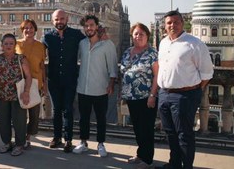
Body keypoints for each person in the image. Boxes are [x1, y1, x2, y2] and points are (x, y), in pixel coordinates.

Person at [158, 10, 213, 169]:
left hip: (185, 96)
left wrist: (193, 90)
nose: (172, 25)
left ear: (182, 23)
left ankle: (186, 166)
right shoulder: (163, 43)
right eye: (169, 23)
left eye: (176, 22)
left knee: (184, 135)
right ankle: (174, 164)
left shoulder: (194, 43)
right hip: (165, 94)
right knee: (170, 133)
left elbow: (207, 73)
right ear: (165, 25)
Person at [73, 15, 118, 157]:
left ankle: (100, 144)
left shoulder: (107, 44)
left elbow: (113, 67)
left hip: (101, 88)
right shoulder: (82, 43)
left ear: (97, 26)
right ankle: (83, 142)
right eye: (86, 26)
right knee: (83, 118)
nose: (89, 28)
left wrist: (111, 84)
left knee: (101, 118)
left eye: (91, 25)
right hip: (83, 88)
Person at [42, 9, 85, 152]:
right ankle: (56, 137)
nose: (59, 21)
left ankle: (68, 139)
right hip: (53, 79)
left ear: (67, 19)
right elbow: (38, 54)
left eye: (61, 19)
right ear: (52, 21)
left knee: (68, 109)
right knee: (56, 110)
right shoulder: (47, 37)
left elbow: (89, 43)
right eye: (56, 19)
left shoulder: (76, 35)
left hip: (70, 78)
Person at [120, 23, 159, 169]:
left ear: (147, 36)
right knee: (137, 127)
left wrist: (152, 95)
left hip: (146, 96)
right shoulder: (127, 51)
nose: (138, 36)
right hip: (131, 97)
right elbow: (123, 71)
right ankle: (140, 154)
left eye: (141, 34)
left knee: (146, 128)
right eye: (135, 34)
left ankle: (147, 160)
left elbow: (157, 75)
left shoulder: (152, 53)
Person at [0, 33, 32, 156]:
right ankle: (7, 143)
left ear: (15, 45)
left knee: (19, 122)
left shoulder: (21, 58)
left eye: (11, 43)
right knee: (3, 121)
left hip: (18, 96)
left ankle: (19, 145)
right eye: (6, 43)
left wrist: (26, 92)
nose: (8, 46)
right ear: (1, 45)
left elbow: (28, 77)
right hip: (1, 96)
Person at [15, 19, 47, 149]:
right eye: (26, 28)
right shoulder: (16, 44)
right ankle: (21, 138)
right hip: (20, 83)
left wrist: (45, 84)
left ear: (35, 30)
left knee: (34, 114)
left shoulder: (41, 46)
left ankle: (28, 137)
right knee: (20, 114)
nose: (28, 30)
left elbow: (42, 66)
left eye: (31, 28)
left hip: (36, 83)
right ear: (22, 30)